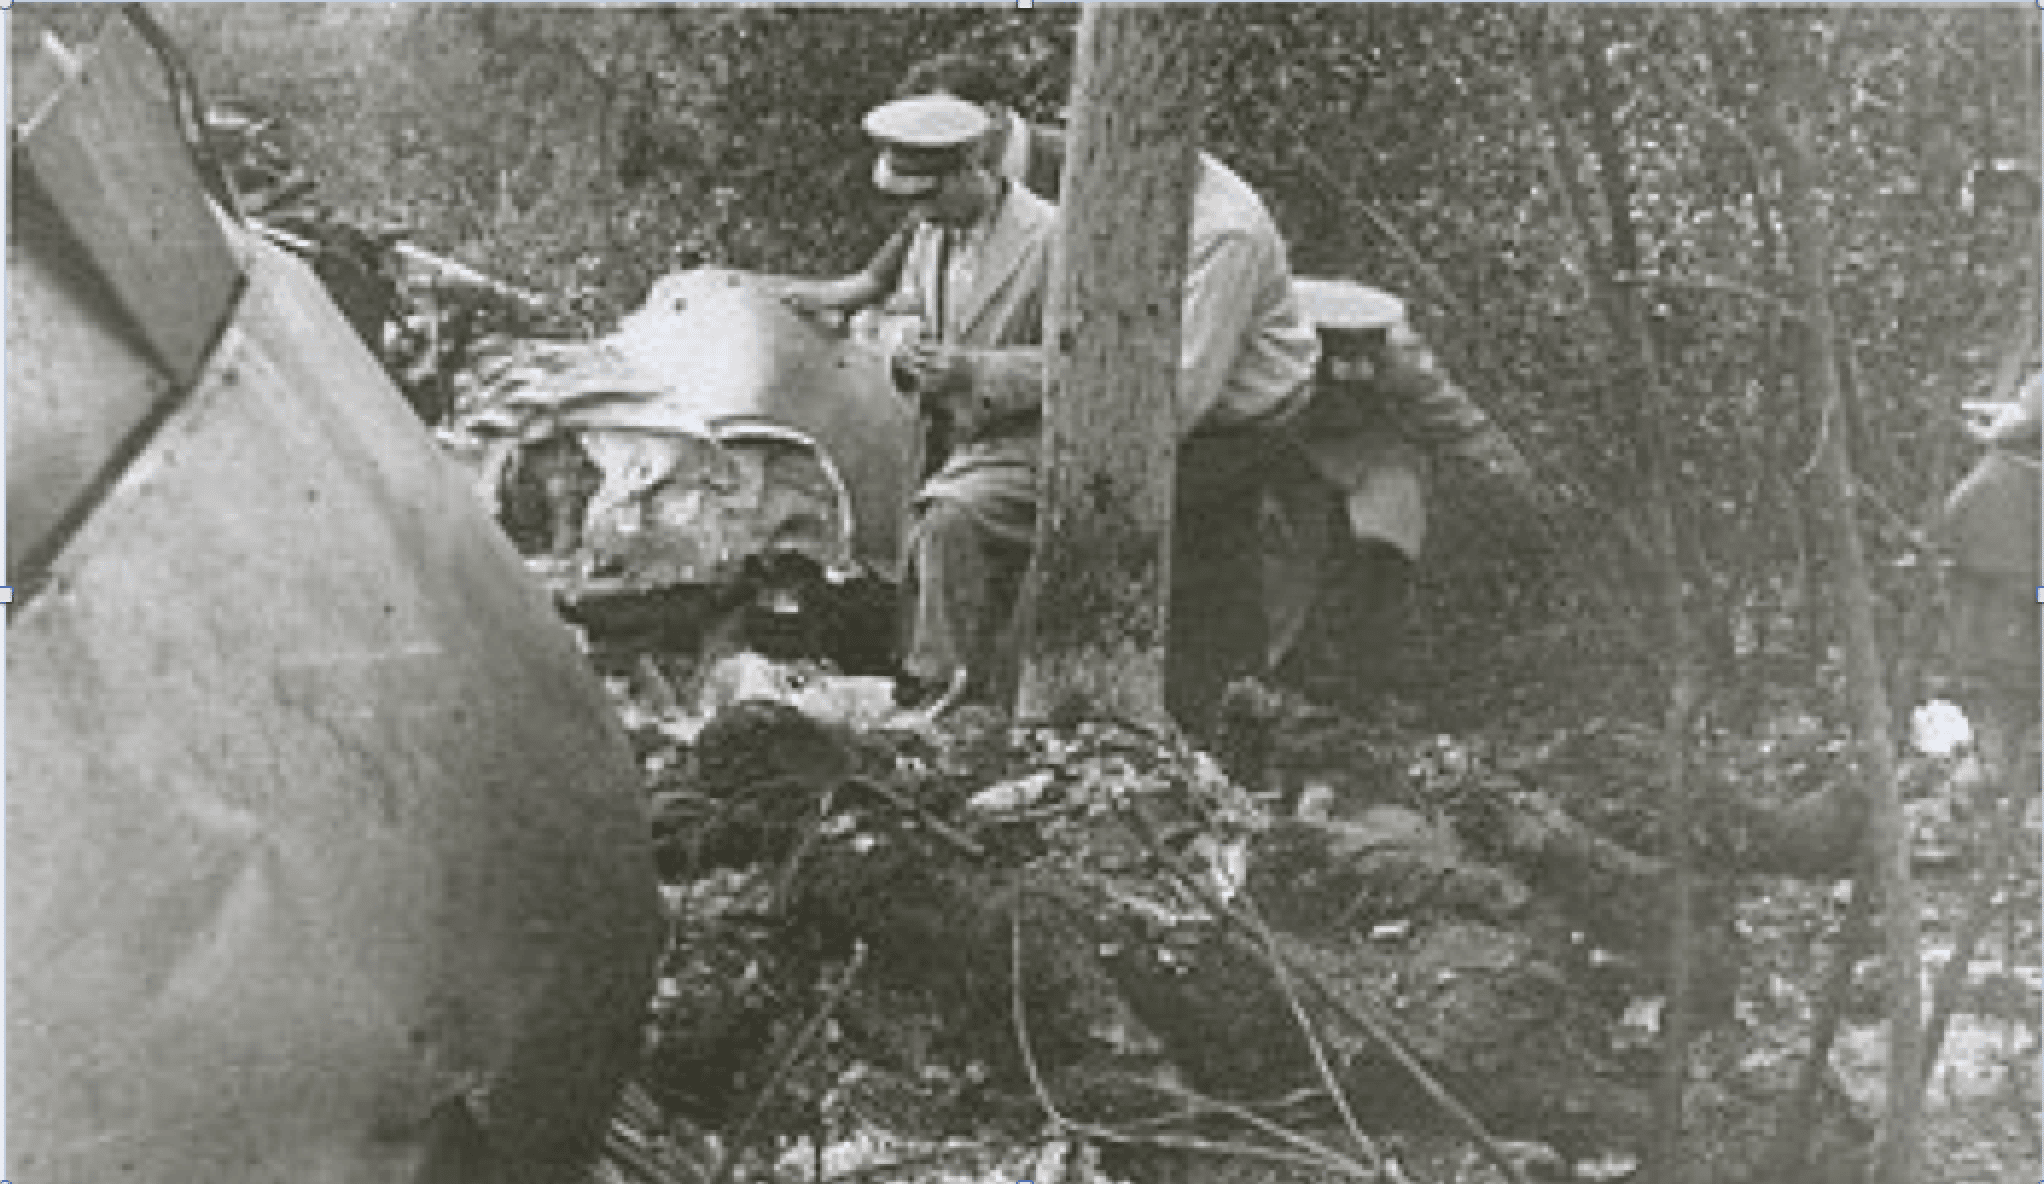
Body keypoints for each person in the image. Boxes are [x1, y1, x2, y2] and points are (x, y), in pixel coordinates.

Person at [787, 94, 1056, 708]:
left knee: (950, 520)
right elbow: (900, 312)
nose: (920, 214)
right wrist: (902, 350)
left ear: (970, 171)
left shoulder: (1046, 238)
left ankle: (940, 690)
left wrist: (976, 369)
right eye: (910, 202)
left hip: (1030, 443)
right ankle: (942, 680)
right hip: (948, 439)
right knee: (906, 537)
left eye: (929, 196)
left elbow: (1080, 363)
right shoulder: (931, 234)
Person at [1268, 278, 1539, 708]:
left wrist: (1518, 474)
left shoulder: (1404, 358)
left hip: (1369, 447)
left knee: (1390, 537)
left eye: (1366, 347)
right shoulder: (1275, 342)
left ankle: (1365, 675)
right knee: (1289, 554)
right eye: (1341, 348)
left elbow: (1455, 417)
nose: (1355, 365)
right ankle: (1275, 669)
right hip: (1286, 446)